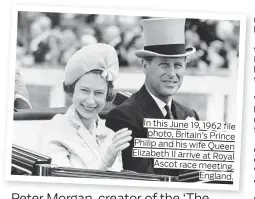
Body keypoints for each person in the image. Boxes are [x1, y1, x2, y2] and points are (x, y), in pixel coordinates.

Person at [106, 18, 199, 176]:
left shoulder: (189, 115)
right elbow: (144, 180)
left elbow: (197, 176)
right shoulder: (124, 117)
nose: (171, 74)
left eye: (177, 65)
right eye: (164, 65)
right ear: (145, 66)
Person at [41, 43, 132, 171]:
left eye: (98, 93)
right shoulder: (56, 128)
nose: (90, 101)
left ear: (107, 95)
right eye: (84, 90)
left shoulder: (110, 131)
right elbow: (62, 181)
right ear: (72, 90)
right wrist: (105, 161)